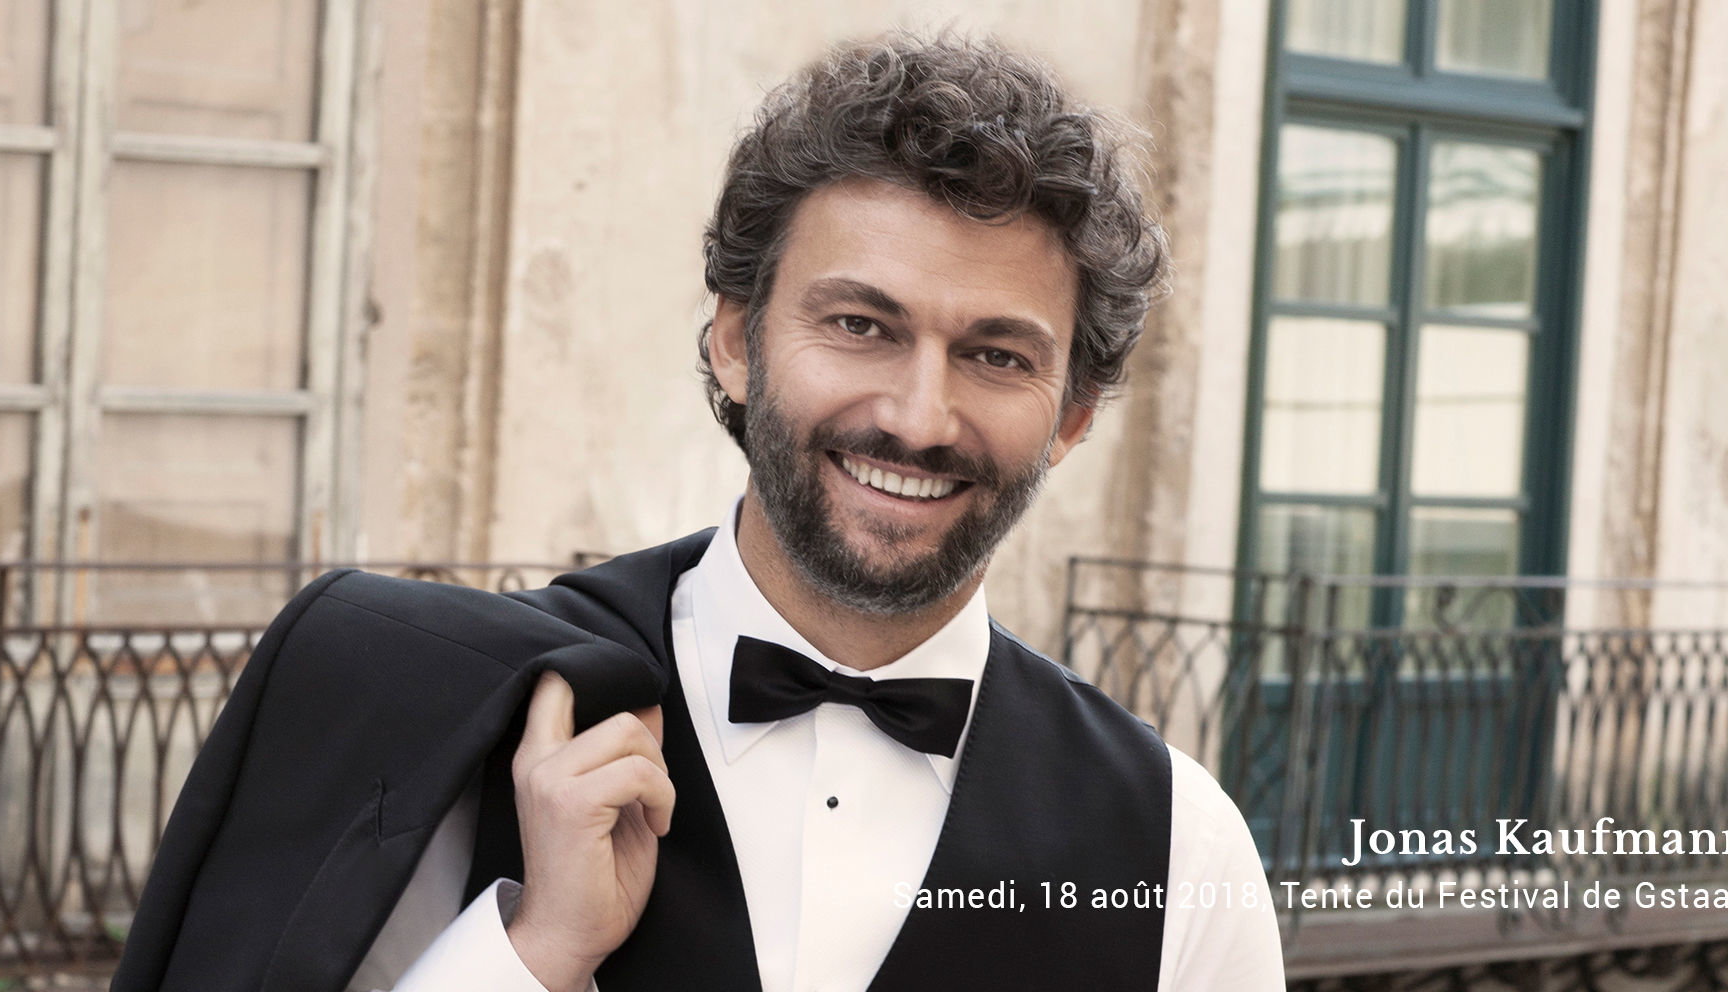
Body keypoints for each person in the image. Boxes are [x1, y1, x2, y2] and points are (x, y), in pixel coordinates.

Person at [110, 32, 1283, 992]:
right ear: (733, 340)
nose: (919, 416)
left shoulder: (1181, 846)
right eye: (860, 324)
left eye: (996, 354)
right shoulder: (446, 729)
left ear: (1072, 413)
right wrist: (534, 953)